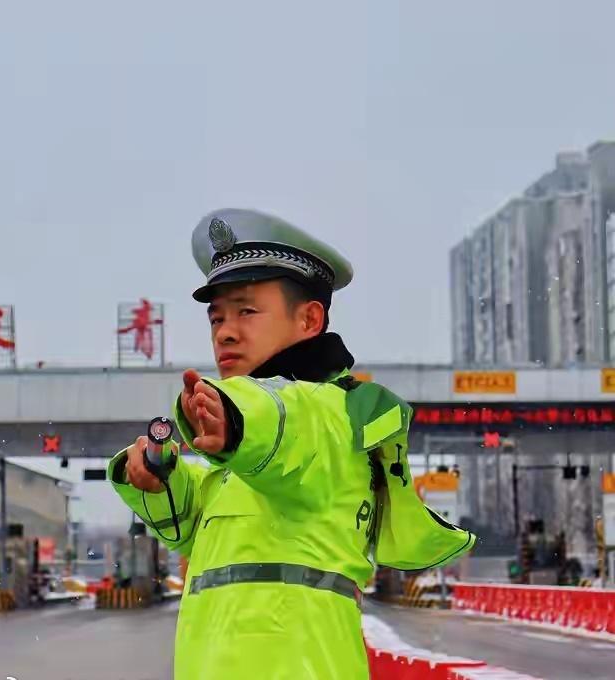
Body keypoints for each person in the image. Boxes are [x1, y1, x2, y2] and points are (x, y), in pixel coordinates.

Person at [107, 208, 476, 680]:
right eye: (216, 317)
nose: (225, 330)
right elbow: (193, 522)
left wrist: (234, 419)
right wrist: (160, 481)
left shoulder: (338, 415)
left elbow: (284, 421)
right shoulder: (243, 466)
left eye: (247, 311)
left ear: (308, 319)